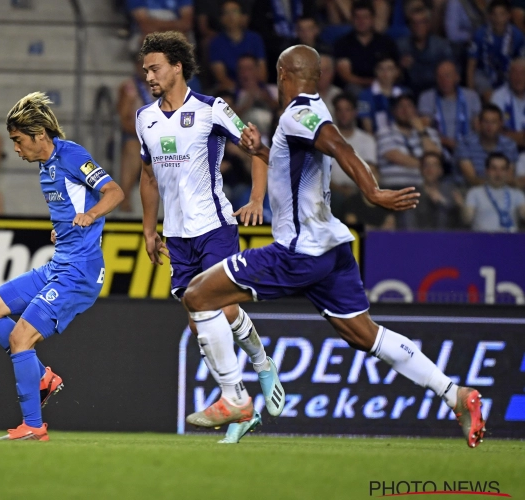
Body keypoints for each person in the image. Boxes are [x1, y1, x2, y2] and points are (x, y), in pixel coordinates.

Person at [181, 45, 487, 449]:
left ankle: (235, 399)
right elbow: (296, 169)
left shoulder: (298, 112)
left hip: (298, 252)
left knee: (198, 295)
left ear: (283, 74)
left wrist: (373, 192)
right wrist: (258, 151)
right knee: (366, 336)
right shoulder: (310, 110)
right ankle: (456, 394)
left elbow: (339, 145)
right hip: (333, 250)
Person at [136, 31, 283, 444]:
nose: (148, 75)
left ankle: (238, 391)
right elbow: (147, 177)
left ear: (177, 67)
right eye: (145, 69)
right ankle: (247, 390)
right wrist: (149, 229)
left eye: (155, 68)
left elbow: (257, 149)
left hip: (215, 226)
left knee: (214, 306)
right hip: (178, 236)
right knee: (203, 317)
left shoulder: (212, 109)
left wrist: (256, 199)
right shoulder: (144, 118)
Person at [0, 92, 124, 441]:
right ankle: (43, 377)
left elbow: (114, 192)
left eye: (18, 140)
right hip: (59, 264)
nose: (15, 149)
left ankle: (33, 425)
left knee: (20, 336)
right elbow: (70, 204)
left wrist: (90, 215)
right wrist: (64, 229)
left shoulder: (72, 155)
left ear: (39, 134)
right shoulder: (45, 166)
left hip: (80, 271)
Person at [377, 94, 443, 188]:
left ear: (415, 110)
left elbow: (435, 156)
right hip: (394, 188)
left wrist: (421, 131)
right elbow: (395, 156)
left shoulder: (429, 132)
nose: (405, 110)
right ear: (394, 111)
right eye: (401, 106)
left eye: (409, 106)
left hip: (424, 188)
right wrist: (427, 166)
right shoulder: (384, 132)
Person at [333, 2, 399, 95]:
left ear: (372, 19)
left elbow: (396, 70)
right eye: (357, 17)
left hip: (384, 84)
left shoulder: (386, 42)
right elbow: (346, 75)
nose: (361, 21)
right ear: (352, 19)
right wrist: (370, 82)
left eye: (365, 17)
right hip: (356, 87)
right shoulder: (342, 43)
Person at [330, 93, 378, 220]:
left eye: (347, 109)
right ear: (334, 113)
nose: (343, 114)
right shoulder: (326, 139)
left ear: (355, 112)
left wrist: (356, 190)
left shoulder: (366, 140)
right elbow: (320, 174)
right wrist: (340, 189)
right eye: (339, 110)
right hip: (332, 190)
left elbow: (371, 171)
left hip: (359, 190)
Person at [418, 60, 481, 156]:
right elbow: (425, 129)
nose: (443, 80)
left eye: (447, 76)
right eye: (439, 77)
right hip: (438, 149)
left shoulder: (471, 96)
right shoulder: (427, 97)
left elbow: (478, 127)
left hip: (469, 149)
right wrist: (447, 142)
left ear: (457, 77)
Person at [117, 57, 155, 212]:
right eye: (142, 66)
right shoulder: (129, 88)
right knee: (133, 148)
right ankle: (124, 198)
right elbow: (123, 120)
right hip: (135, 136)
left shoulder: (163, 87)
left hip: (161, 138)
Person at [467, 0, 525, 100]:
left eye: (502, 14)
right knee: (491, 98)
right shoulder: (480, 34)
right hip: (484, 74)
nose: (498, 19)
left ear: (508, 15)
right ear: (490, 16)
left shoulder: (518, 36)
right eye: (494, 14)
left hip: (508, 73)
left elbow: (522, 63)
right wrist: (470, 94)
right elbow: (471, 65)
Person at [208, 0, 266, 92]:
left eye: (234, 11)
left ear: (242, 16)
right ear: (221, 18)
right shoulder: (216, 43)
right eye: (226, 13)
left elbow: (262, 73)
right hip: (231, 90)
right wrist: (241, 92)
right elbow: (221, 77)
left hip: (256, 88)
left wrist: (252, 89)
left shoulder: (255, 38)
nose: (231, 16)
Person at [456, 104, 519, 186]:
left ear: (501, 123)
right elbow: (471, 179)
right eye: (486, 122)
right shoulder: (465, 144)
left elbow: (508, 178)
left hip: (501, 190)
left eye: (494, 122)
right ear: (479, 123)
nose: (489, 126)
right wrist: (497, 182)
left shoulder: (509, 145)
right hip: (467, 189)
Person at [398, 5, 454, 96]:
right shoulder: (400, 46)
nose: (418, 26)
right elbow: (394, 75)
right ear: (409, 26)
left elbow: (450, 71)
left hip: (436, 91)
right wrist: (400, 67)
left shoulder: (441, 46)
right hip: (408, 92)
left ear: (428, 24)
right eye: (414, 23)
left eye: (422, 22)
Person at [463, 152, 525, 231]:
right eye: (494, 169)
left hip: (510, 240)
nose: (498, 174)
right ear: (487, 171)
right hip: (482, 240)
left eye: (502, 169)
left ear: (507, 172)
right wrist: (462, 206)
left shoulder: (517, 194)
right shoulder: (474, 193)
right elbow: (467, 219)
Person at [404, 152, 464, 229]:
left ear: (441, 170)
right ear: (421, 170)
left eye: (434, 165)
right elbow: (409, 226)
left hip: (447, 239)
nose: (430, 169)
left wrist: (444, 203)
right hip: (420, 238)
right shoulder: (412, 196)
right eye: (426, 165)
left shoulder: (451, 192)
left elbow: (459, 225)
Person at [357, 56, 405, 134]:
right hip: (378, 139)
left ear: (397, 72)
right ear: (376, 71)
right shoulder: (363, 96)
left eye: (389, 69)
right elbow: (365, 124)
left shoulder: (404, 93)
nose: (385, 73)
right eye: (381, 69)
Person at [491, 57, 525, 148]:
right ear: (509, 76)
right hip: (506, 150)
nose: (518, 78)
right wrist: (519, 138)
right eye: (514, 73)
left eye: (522, 73)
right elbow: (494, 130)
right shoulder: (498, 96)